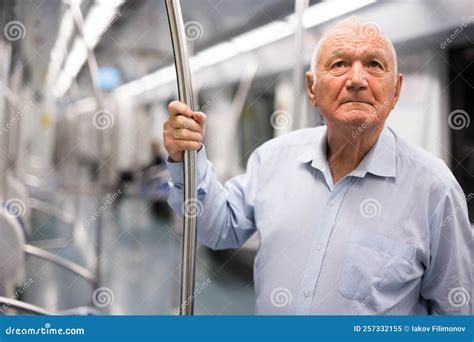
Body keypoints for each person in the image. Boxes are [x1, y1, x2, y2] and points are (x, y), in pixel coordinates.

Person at [163, 17, 472, 315]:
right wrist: (185, 156)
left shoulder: (434, 189)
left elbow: (456, 313)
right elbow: (217, 228)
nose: (356, 80)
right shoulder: (272, 160)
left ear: (396, 90)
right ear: (312, 88)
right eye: (339, 64)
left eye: (374, 65)